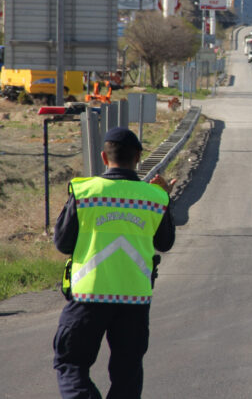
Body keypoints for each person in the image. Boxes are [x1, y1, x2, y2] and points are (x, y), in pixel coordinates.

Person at [52, 127, 176, 399]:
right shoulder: (155, 197)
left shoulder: (86, 192)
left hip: (89, 294)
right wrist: (165, 198)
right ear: (139, 158)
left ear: (104, 158)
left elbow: (62, 243)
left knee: (71, 364)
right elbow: (165, 243)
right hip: (134, 297)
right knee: (127, 372)